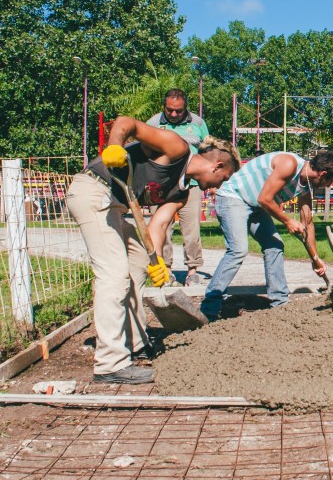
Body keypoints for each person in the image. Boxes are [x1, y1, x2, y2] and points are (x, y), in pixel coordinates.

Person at [66, 117, 239, 384]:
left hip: (115, 206)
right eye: (223, 179)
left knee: (137, 263)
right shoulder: (176, 148)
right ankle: (110, 364)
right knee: (114, 275)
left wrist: (156, 260)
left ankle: (136, 343)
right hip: (94, 191)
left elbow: (158, 226)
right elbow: (126, 123)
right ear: (217, 166)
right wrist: (114, 147)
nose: (218, 187)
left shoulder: (180, 192)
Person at [200, 150, 333, 320]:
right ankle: (209, 308)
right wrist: (287, 221)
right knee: (238, 250)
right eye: (330, 182)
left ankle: (280, 304)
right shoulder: (289, 164)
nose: (328, 187)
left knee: (275, 246)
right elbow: (265, 198)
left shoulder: (306, 185)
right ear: (322, 174)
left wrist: (315, 259)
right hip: (233, 197)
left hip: (255, 205)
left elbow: (307, 223)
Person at [147, 89, 209, 287]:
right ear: (163, 107)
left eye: (178, 111)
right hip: (162, 186)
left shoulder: (198, 124)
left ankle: (192, 271)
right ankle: (166, 269)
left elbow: (207, 152)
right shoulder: (154, 123)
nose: (174, 114)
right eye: (170, 110)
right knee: (163, 229)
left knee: (191, 230)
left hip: (190, 185)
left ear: (185, 109)